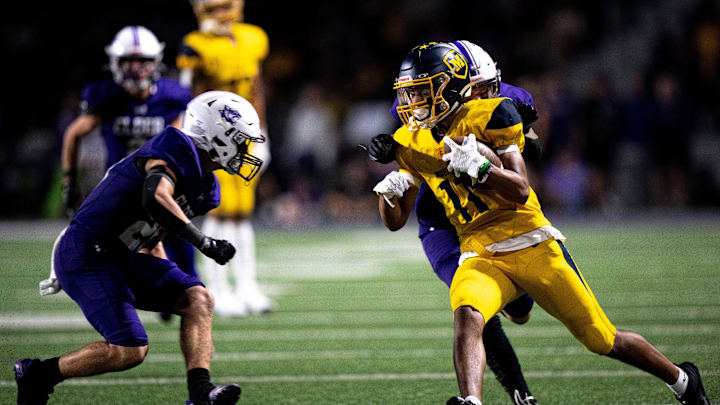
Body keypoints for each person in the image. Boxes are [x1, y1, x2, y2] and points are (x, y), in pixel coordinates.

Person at [372, 42, 710, 405]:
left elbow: (520, 189)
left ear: (454, 85)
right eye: (409, 93)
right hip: (478, 250)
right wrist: (388, 194)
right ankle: (471, 401)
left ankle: (681, 380)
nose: (412, 102)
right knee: (469, 315)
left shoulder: (492, 113)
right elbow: (395, 221)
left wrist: (484, 167)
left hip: (530, 241)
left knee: (601, 339)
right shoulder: (409, 138)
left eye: (422, 91)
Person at [17, 91, 266, 405]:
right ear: (218, 136)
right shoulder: (175, 145)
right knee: (130, 350)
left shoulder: (208, 189)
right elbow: (155, 196)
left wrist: (165, 272)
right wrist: (205, 243)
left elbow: (153, 231)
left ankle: (200, 393)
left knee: (198, 299)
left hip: (123, 254)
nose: (247, 150)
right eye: (242, 141)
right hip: (87, 250)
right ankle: (37, 375)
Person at [368, 40, 540, 405]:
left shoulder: (510, 101)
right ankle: (520, 394)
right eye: (472, 89)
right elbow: (408, 141)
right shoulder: (416, 100)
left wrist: (523, 141)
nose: (476, 96)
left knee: (519, 313)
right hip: (441, 218)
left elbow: (523, 155)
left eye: (484, 89)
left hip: (494, 218)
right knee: (474, 311)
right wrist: (394, 152)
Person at [59, 26, 197, 321]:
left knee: (182, 243)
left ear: (156, 61)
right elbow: (74, 133)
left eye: (143, 61)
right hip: (120, 188)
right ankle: (158, 295)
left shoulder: (173, 96)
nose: (137, 70)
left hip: (163, 182)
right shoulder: (106, 95)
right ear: (116, 63)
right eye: (129, 63)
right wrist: (69, 179)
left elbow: (182, 138)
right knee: (125, 248)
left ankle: (185, 295)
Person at [176, 0, 272, 316]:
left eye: (223, 6)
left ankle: (247, 285)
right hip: (213, 138)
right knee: (220, 211)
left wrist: (262, 131)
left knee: (243, 211)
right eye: (212, 8)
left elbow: (257, 87)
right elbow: (184, 94)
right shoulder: (195, 46)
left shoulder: (253, 37)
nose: (218, 14)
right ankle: (218, 288)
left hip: (245, 135)